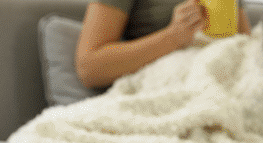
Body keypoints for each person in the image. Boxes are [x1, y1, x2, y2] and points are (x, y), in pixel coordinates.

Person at [76, 0, 252, 89]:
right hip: (164, 90)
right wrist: (173, 37)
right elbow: (90, 67)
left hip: (225, 89)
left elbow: (249, 51)